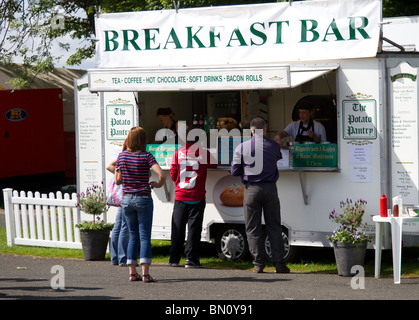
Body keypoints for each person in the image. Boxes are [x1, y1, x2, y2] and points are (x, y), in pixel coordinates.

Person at [230, 117, 289, 274]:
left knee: (252, 228)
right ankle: (279, 264)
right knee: (274, 227)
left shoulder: (241, 147)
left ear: (251, 130)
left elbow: (234, 171)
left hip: (252, 190)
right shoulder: (274, 146)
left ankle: (258, 264)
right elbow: (278, 158)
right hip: (270, 189)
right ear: (265, 129)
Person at [116, 126, 166, 282]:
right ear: (143, 140)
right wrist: (157, 184)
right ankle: (145, 274)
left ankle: (132, 273)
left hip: (126, 199)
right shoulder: (147, 156)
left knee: (132, 236)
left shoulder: (122, 156)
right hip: (143, 198)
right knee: (144, 237)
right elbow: (162, 175)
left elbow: (118, 180)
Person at [169, 127, 217, 268]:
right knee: (194, 230)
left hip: (180, 196)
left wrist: (177, 183)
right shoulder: (203, 153)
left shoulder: (177, 153)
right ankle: (191, 259)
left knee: (177, 229)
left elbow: (173, 171)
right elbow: (215, 163)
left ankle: (173, 259)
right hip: (197, 197)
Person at [107, 159, 129, 266]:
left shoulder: (121, 158)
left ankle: (114, 257)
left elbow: (109, 166)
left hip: (121, 196)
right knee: (124, 226)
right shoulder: (128, 157)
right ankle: (122, 258)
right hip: (126, 195)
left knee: (118, 225)